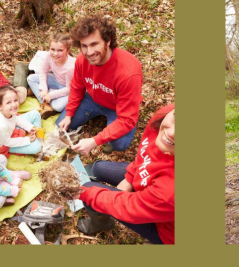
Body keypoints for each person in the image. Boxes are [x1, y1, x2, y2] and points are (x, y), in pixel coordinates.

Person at [74, 104, 175, 244]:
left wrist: (83, 192)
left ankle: (101, 223)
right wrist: (129, 178)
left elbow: (130, 207)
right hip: (150, 184)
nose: (171, 133)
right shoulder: (165, 116)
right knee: (98, 168)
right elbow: (145, 153)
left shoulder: (170, 192)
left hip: (164, 229)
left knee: (89, 190)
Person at [56, 14, 143, 155]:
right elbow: (77, 87)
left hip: (118, 107)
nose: (89, 52)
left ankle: (120, 120)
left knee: (119, 144)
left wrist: (95, 140)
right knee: (61, 126)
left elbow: (127, 119)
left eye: (94, 44)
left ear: (107, 41)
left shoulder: (128, 73)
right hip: (93, 99)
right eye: (84, 46)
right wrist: (69, 114)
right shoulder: (81, 60)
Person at [27, 33, 77, 119]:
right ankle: (45, 103)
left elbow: (69, 89)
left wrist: (51, 94)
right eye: (52, 49)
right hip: (56, 80)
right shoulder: (49, 56)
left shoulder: (70, 68)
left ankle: (48, 101)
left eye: (60, 50)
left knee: (58, 106)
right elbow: (43, 70)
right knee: (31, 78)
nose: (55, 53)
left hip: (68, 89)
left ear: (67, 51)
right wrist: (44, 88)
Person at [0, 86, 42, 157]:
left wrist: (29, 127)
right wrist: (27, 140)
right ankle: (37, 141)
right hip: (5, 144)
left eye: (15, 100)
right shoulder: (1, 125)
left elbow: (16, 119)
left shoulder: (8, 112)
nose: (14, 104)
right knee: (37, 147)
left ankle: (37, 137)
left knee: (36, 114)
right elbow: (7, 142)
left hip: (10, 131)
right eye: (8, 102)